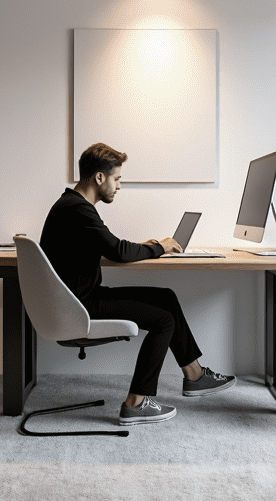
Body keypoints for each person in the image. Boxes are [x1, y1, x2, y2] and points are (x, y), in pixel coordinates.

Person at [40, 142, 235, 426]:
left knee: (165, 297)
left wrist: (149, 246)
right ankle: (136, 403)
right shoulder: (77, 210)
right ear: (99, 177)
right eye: (117, 179)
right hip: (80, 306)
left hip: (82, 298)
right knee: (163, 321)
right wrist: (160, 248)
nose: (119, 186)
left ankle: (194, 375)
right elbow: (118, 251)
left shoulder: (73, 206)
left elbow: (111, 245)